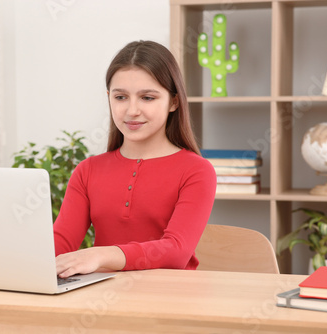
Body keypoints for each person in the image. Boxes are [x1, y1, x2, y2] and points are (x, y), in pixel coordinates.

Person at [54, 40, 216, 278]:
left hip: (172, 300)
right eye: (121, 97)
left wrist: (99, 255)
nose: (131, 111)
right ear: (109, 98)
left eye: (147, 98)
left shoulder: (196, 171)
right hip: (102, 299)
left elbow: (176, 251)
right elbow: (60, 243)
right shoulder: (87, 170)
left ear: (173, 101)